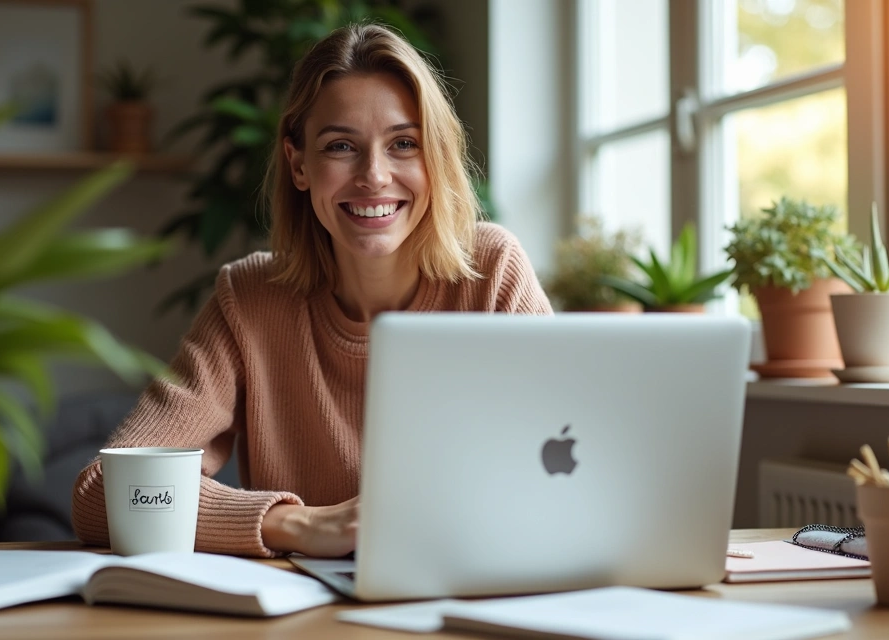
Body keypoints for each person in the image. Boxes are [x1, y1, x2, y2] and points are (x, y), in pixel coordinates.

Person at [71, 22, 552, 558]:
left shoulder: (492, 274)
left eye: (403, 144)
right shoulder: (250, 299)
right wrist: (296, 525)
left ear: (434, 159)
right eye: (341, 146)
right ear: (299, 164)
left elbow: (572, 473)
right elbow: (100, 494)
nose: (374, 176)